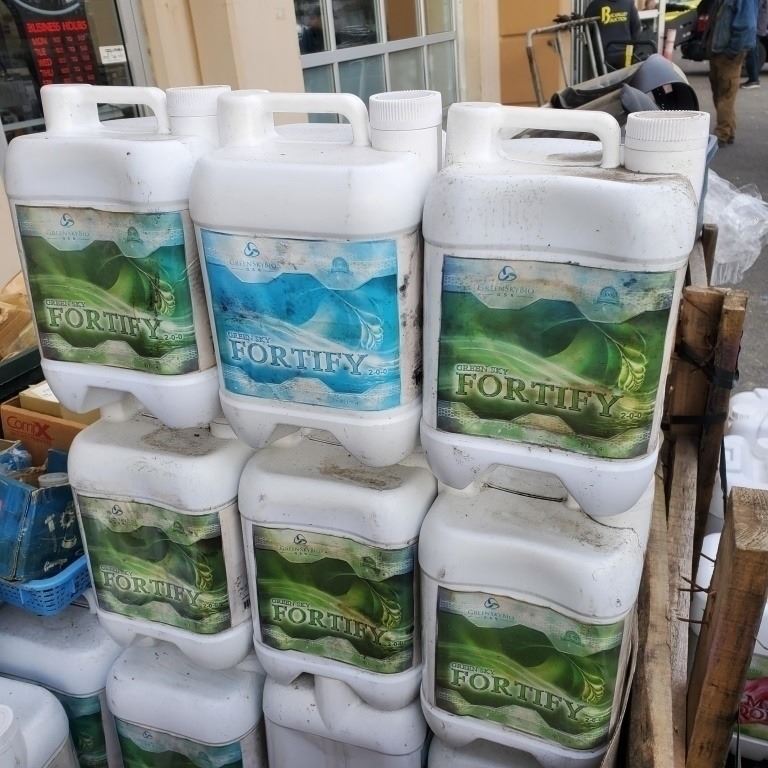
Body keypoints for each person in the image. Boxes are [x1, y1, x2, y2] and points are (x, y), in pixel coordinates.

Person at [705, 0, 759, 145]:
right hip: (719, 50)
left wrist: (733, 50)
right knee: (720, 92)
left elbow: (747, 25)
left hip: (729, 53)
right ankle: (728, 131)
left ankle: (722, 133)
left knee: (725, 93)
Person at [584, 0, 642, 70]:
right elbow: (636, 30)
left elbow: (587, 31)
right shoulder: (629, 3)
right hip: (625, 54)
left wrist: (594, 51)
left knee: (607, 76)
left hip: (604, 56)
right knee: (626, 75)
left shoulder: (595, 5)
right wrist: (631, 50)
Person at [742, 0, 768, 87]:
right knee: (753, 51)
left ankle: (753, 79)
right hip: (757, 24)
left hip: (756, 25)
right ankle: (753, 78)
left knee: (752, 51)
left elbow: (754, 8)